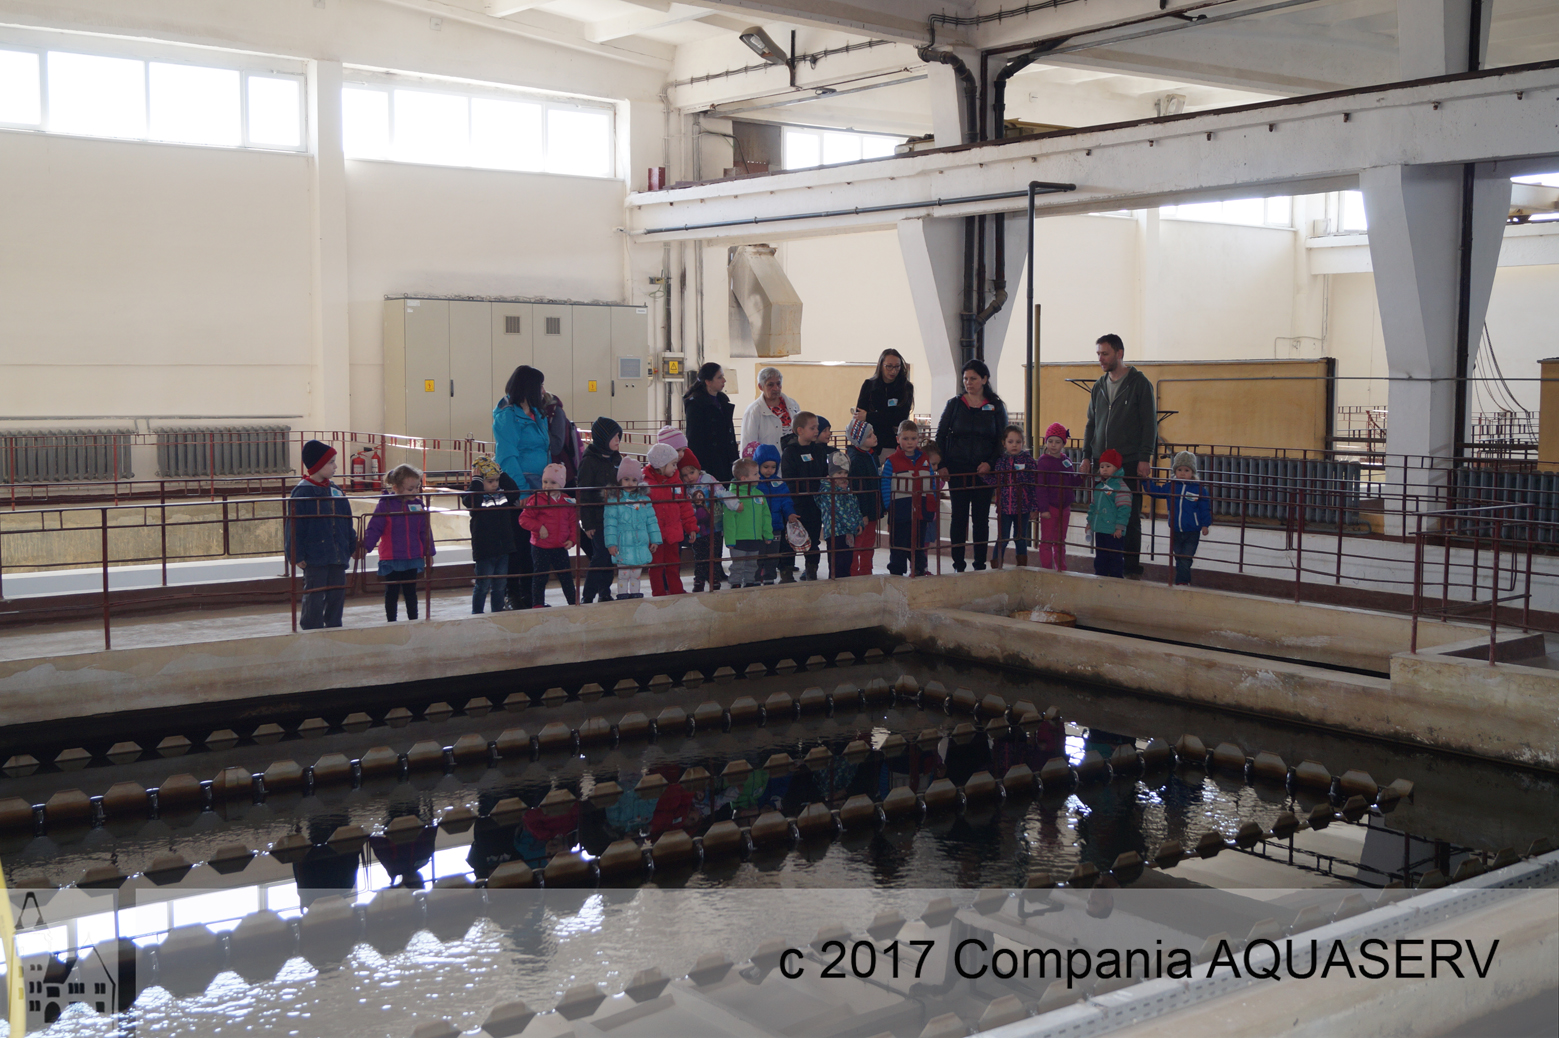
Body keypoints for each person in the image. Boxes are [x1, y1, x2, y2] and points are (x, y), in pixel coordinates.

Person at [1079, 334, 1158, 578]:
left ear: (1119, 353)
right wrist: (1086, 456)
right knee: (1103, 509)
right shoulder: (1099, 386)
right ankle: (1105, 564)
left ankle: (1131, 568)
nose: (1100, 359)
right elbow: (1091, 423)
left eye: (1105, 354)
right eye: (1098, 354)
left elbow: (1149, 423)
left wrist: (1145, 457)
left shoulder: (1139, 384)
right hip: (1102, 462)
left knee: (1129, 514)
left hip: (1129, 460)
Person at [935, 359, 1007, 572]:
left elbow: (1002, 440)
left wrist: (990, 464)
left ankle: (979, 564)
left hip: (983, 473)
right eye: (965, 379)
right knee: (958, 517)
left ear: (984, 379)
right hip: (957, 470)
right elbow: (940, 435)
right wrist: (942, 465)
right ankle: (958, 564)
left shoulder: (996, 406)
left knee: (980, 519)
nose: (968, 382)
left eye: (973, 378)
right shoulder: (955, 404)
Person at [493, 365, 550, 608]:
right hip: (520, 488)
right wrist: (522, 490)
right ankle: (513, 594)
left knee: (535, 545)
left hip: (539, 486)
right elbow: (507, 456)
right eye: (540, 385)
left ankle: (531, 595)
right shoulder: (507, 416)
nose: (543, 390)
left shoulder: (537, 414)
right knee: (518, 543)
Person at [286, 439, 356, 630]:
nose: (335, 466)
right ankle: (311, 627)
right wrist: (296, 554)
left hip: (337, 554)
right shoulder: (302, 493)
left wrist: (352, 545)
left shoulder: (336, 490)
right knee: (314, 593)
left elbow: (347, 520)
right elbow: (294, 527)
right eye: (331, 462)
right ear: (317, 465)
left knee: (337, 592)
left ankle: (334, 625)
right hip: (315, 556)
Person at [362, 464, 436, 621]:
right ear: (396, 488)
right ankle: (391, 622)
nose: (415, 492)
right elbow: (374, 528)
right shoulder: (385, 505)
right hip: (392, 558)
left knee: (411, 591)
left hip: (412, 557)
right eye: (410, 489)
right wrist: (365, 547)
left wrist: (429, 552)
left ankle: (413, 620)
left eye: (417, 487)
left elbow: (425, 531)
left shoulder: (418, 505)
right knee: (392, 592)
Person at [1146, 450, 1213, 585]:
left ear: (1192, 472)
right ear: (1175, 471)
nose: (1182, 473)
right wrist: (1145, 480)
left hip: (1192, 531)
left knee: (1186, 558)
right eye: (1179, 470)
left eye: (1186, 470)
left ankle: (1181, 582)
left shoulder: (1199, 489)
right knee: (1178, 557)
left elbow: (1205, 508)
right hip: (1175, 530)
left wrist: (1205, 524)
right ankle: (1183, 581)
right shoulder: (1171, 486)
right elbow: (1156, 492)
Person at [576, 417, 623, 604]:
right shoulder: (589, 462)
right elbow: (584, 494)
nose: (618, 440)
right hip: (597, 518)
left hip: (614, 517)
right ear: (603, 438)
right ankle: (588, 594)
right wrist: (587, 523)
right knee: (600, 556)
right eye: (614, 436)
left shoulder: (616, 459)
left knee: (610, 556)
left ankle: (605, 592)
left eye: (619, 436)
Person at [880, 420, 936, 577]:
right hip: (900, 510)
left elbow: (932, 482)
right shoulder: (891, 461)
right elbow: (885, 483)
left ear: (918, 439)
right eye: (905, 438)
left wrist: (933, 502)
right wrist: (888, 505)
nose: (910, 442)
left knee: (918, 543)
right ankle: (896, 571)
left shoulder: (925, 460)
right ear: (898, 439)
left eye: (913, 438)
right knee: (898, 543)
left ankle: (919, 569)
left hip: (921, 510)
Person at [519, 463, 578, 606]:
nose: (547, 486)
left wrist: (572, 539)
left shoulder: (567, 502)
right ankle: (538, 605)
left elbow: (573, 523)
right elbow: (524, 519)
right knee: (540, 577)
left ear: (561, 484)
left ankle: (574, 603)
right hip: (540, 546)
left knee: (566, 577)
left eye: (553, 482)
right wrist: (539, 527)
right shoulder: (536, 499)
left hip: (560, 546)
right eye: (545, 482)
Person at [642, 442, 696, 596]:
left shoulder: (677, 482)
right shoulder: (646, 484)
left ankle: (676, 590)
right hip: (654, 535)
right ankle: (658, 592)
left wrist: (691, 526)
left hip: (673, 533)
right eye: (673, 464)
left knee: (674, 564)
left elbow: (685, 506)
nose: (675, 468)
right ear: (661, 465)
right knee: (656, 566)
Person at [680, 453, 740, 592]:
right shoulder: (684, 486)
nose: (689, 477)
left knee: (715, 554)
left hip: (714, 526)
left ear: (698, 469)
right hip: (696, 528)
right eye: (685, 475)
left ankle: (714, 579)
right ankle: (699, 580)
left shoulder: (708, 480)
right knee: (699, 555)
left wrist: (734, 504)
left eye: (692, 472)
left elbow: (721, 492)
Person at [780, 412, 830, 581]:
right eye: (812, 428)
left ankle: (811, 570)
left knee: (813, 539)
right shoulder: (790, 452)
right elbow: (788, 477)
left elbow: (823, 473)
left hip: (814, 503)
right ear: (800, 430)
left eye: (817, 427)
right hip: (795, 504)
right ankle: (786, 572)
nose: (816, 431)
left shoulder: (819, 450)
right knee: (790, 539)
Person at [464, 456, 517, 614]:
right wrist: (477, 482)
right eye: (490, 481)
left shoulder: (502, 495)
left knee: (500, 585)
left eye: (497, 480)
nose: (495, 484)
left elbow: (514, 492)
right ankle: (477, 613)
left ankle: (497, 611)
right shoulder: (475, 495)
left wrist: (502, 474)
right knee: (482, 585)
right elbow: (472, 502)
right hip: (485, 550)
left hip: (503, 548)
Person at [603, 456, 660, 599]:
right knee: (623, 574)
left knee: (636, 574)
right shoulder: (614, 500)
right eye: (626, 479)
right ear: (620, 480)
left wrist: (655, 540)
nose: (630, 483)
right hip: (622, 543)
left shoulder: (644, 500)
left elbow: (651, 521)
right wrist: (611, 543)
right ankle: (622, 595)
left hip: (640, 542)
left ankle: (635, 594)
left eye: (634, 480)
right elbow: (610, 524)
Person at [985, 425, 1041, 569]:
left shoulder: (1028, 461)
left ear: (1023, 443)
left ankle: (1022, 566)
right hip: (1004, 508)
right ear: (1004, 443)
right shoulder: (1001, 461)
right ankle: (996, 566)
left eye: (1018, 442)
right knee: (1002, 538)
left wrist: (1034, 507)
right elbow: (996, 481)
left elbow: (1034, 484)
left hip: (1023, 508)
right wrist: (984, 475)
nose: (1014, 445)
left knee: (1020, 538)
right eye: (1010, 442)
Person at [1035, 423, 1080, 572]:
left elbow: (1072, 481)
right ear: (1046, 442)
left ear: (1063, 444)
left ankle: (1061, 569)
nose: (1053, 445)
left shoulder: (1066, 460)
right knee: (1047, 541)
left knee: (1060, 541)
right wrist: (1043, 509)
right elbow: (1041, 487)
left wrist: (1083, 475)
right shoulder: (1043, 462)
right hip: (1050, 508)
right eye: (1050, 441)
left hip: (1065, 507)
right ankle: (1047, 570)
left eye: (1057, 442)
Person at [683, 362, 739, 483]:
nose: (724, 380)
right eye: (719, 377)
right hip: (709, 461)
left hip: (726, 458)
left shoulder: (722, 401)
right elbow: (694, 438)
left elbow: (729, 432)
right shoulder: (695, 404)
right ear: (708, 381)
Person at [855, 348, 914, 456]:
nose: (893, 371)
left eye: (897, 367)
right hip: (870, 444)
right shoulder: (869, 385)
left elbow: (900, 418)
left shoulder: (906, 387)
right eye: (889, 366)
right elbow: (859, 416)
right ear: (880, 365)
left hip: (892, 444)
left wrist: (869, 416)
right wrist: (886, 417)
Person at [844, 416, 882, 576]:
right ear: (859, 441)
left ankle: (866, 570)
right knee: (858, 542)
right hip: (862, 512)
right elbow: (858, 490)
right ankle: (854, 572)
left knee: (869, 542)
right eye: (869, 436)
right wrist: (863, 513)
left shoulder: (871, 455)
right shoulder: (856, 460)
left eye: (873, 433)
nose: (874, 437)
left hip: (873, 508)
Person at [723, 458, 770, 588]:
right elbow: (729, 520)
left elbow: (766, 516)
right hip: (739, 539)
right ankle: (735, 583)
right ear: (744, 478)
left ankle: (750, 582)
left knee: (752, 564)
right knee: (737, 565)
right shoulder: (732, 496)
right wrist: (730, 540)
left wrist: (767, 533)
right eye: (755, 474)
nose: (759, 476)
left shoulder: (759, 494)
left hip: (755, 537)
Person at [752, 443, 796, 583]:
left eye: (773, 467)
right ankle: (755, 578)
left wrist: (790, 514)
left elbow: (786, 501)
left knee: (773, 555)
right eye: (765, 467)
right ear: (758, 465)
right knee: (758, 555)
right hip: (758, 526)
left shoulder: (780, 483)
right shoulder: (754, 484)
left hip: (775, 526)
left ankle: (769, 578)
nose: (769, 470)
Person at [1087, 449, 1132, 579]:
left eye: (1108, 466)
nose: (1104, 469)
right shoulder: (1099, 487)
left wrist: (1119, 527)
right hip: (1100, 529)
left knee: (1115, 557)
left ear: (1116, 468)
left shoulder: (1120, 488)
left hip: (1113, 531)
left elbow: (1124, 509)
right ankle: (1100, 578)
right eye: (1102, 467)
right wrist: (1090, 522)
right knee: (1100, 556)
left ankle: (1115, 580)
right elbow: (1093, 506)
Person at [819, 461, 865, 579]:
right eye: (839, 473)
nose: (843, 476)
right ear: (831, 474)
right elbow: (837, 510)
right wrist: (854, 525)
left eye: (845, 473)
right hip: (835, 532)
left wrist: (859, 522)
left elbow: (855, 506)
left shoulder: (847, 488)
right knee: (837, 564)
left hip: (848, 532)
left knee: (847, 562)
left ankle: (845, 586)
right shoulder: (827, 490)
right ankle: (835, 586)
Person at [741, 366, 800, 451]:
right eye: (770, 385)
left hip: (792, 456)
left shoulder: (793, 405)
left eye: (778, 384)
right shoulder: (753, 411)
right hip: (767, 458)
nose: (776, 388)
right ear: (760, 387)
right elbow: (748, 444)